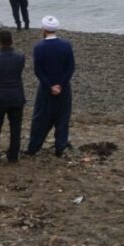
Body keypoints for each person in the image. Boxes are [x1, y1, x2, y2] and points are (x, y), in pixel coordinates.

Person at [25, 16, 75, 157]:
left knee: (40, 117)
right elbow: (70, 68)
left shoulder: (39, 47)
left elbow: (38, 70)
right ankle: (60, 147)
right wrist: (61, 84)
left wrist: (50, 86)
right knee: (63, 117)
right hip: (64, 88)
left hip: (46, 88)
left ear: (44, 29)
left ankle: (34, 147)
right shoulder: (66, 45)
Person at [0, 29, 25, 164]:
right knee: (15, 127)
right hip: (15, 96)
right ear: (12, 41)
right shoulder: (20, 57)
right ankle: (13, 155)